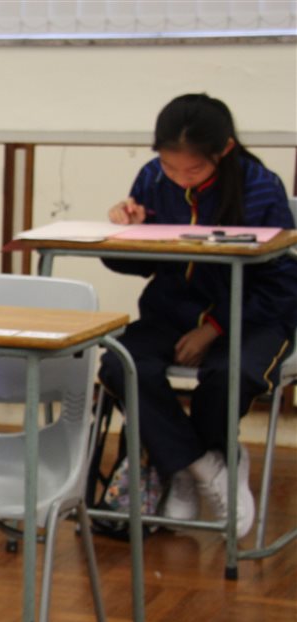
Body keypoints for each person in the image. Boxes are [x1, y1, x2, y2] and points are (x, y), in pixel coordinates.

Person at [99, 93, 297, 537]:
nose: (177, 177)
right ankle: (200, 467)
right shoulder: (152, 178)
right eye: (169, 167)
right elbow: (138, 265)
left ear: (224, 150)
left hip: (252, 316)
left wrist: (214, 329)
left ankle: (198, 462)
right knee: (120, 363)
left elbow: (282, 285)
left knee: (231, 373)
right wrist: (126, 232)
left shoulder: (260, 187)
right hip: (172, 310)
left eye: (192, 171)